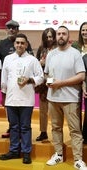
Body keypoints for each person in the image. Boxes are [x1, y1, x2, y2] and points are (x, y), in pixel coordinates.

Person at [45, 26, 87, 170]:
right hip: (53, 98)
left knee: (75, 130)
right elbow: (47, 74)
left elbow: (81, 75)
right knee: (56, 128)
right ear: (56, 36)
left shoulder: (75, 54)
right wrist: (48, 81)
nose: (61, 36)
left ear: (68, 37)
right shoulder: (51, 54)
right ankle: (58, 155)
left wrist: (60, 83)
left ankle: (78, 159)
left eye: (64, 34)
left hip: (71, 98)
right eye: (59, 34)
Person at [0, 33, 44, 164]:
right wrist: (3, 95)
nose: (19, 45)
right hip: (11, 98)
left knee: (25, 127)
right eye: (17, 42)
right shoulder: (7, 59)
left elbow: (40, 77)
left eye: (22, 43)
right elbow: (4, 79)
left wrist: (29, 80)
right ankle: (13, 151)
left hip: (26, 99)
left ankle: (26, 152)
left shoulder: (32, 60)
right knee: (13, 127)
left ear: (26, 45)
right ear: (14, 44)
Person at [0, 19, 34, 138]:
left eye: (14, 28)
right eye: (9, 27)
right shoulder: (1, 44)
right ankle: (11, 128)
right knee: (9, 109)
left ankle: (20, 132)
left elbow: (30, 61)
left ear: (18, 30)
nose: (11, 30)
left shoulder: (25, 44)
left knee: (22, 114)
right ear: (6, 29)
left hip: (24, 86)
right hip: (8, 83)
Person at [35, 27, 57, 141]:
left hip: (55, 82)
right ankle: (43, 132)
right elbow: (35, 63)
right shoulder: (41, 48)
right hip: (43, 83)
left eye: (51, 36)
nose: (49, 39)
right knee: (43, 110)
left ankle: (56, 132)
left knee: (54, 110)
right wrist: (40, 63)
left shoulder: (58, 49)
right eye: (47, 36)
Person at [72, 22, 87, 144]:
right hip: (76, 81)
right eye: (83, 30)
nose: (85, 32)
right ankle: (78, 136)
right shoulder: (76, 46)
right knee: (76, 110)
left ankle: (86, 136)